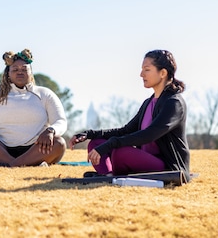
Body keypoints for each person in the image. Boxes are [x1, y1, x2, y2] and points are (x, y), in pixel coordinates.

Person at [70, 49, 191, 182]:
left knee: (120, 152)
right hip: (145, 160)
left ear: (162, 73)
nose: (141, 74)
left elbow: (149, 134)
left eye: (147, 69)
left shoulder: (174, 103)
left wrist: (111, 144)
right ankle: (109, 176)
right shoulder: (148, 102)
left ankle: (111, 176)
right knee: (96, 143)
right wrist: (90, 134)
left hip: (168, 167)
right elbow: (127, 130)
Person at [0, 49, 67, 167]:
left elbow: (60, 121)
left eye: (24, 69)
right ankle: (19, 164)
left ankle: (10, 165)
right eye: (15, 69)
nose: (19, 72)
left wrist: (50, 131)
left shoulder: (45, 94)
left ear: (31, 72)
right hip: (0, 149)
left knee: (59, 143)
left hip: (37, 148)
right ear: (8, 74)